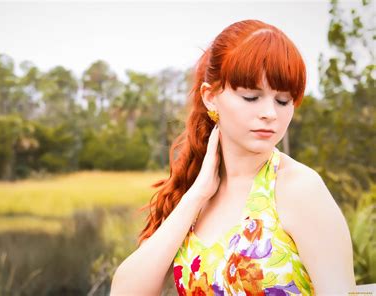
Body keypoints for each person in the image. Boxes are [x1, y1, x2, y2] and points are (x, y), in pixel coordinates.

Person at [110, 19, 355, 295]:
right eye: (251, 97)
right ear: (210, 97)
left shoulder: (299, 189)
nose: (270, 114)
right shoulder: (198, 195)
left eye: (283, 100)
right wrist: (197, 195)